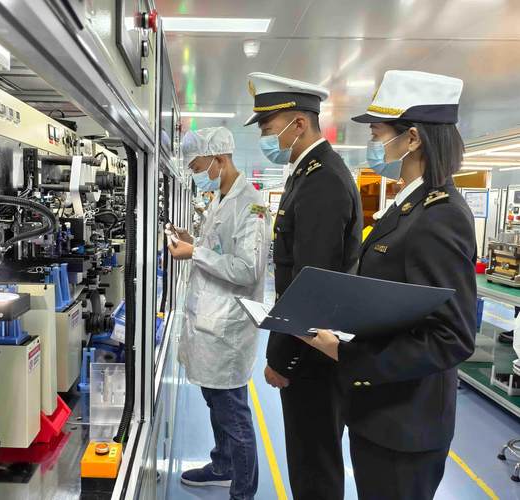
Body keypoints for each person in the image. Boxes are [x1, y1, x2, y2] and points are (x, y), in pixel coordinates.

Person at [301, 70, 476, 500]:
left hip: (405, 425)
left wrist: (346, 354)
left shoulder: (440, 216)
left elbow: (452, 337)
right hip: (380, 412)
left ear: (412, 138)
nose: (373, 142)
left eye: (378, 132)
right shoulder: (409, 206)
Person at [245, 72, 363, 500]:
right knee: (309, 457)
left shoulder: (323, 180)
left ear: (298, 123)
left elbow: (311, 281)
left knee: (313, 461)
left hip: (311, 352)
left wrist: (282, 358)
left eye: (268, 127)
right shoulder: (308, 173)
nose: (265, 137)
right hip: (308, 343)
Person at [168, 127, 271, 500]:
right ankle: (223, 465)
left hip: (228, 329)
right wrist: (192, 241)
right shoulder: (220, 198)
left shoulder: (252, 205)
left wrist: (195, 253)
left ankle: (243, 491)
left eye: (198, 166)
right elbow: (220, 248)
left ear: (219, 159)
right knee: (216, 402)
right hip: (210, 322)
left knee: (233, 414)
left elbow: (247, 269)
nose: (197, 173)